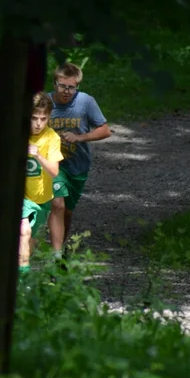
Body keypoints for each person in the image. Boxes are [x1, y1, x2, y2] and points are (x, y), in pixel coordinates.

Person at [46, 62, 111, 257]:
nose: (66, 91)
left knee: (67, 211)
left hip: (77, 165)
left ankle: (62, 246)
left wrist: (80, 137)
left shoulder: (85, 102)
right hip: (53, 164)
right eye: (62, 86)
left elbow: (105, 130)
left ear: (77, 86)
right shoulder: (45, 102)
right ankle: (55, 256)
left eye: (71, 87)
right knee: (57, 204)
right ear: (54, 83)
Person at [20, 92, 63, 273]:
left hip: (42, 198)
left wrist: (38, 155)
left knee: (30, 243)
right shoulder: (16, 134)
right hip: (22, 196)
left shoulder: (52, 137)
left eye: (43, 119)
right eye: (34, 118)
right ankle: (23, 281)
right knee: (24, 232)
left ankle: (18, 270)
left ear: (48, 118)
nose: (38, 123)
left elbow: (54, 171)